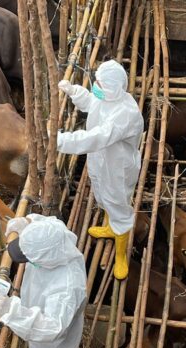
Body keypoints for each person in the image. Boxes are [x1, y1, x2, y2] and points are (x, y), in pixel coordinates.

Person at [56, 60, 144, 280]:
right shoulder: (107, 97)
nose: (96, 85)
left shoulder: (125, 113)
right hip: (100, 161)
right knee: (103, 196)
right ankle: (109, 227)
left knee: (117, 203)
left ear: (113, 88)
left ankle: (121, 253)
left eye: (100, 83)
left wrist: (61, 141)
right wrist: (74, 91)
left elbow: (97, 137)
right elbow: (91, 103)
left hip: (117, 167)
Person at [0, 214, 87, 348]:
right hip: (40, 309)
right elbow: (49, 222)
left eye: (29, 257)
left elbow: (52, 328)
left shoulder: (67, 287)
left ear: (44, 258)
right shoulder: (56, 236)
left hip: (55, 345)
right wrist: (26, 223)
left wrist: (11, 310)